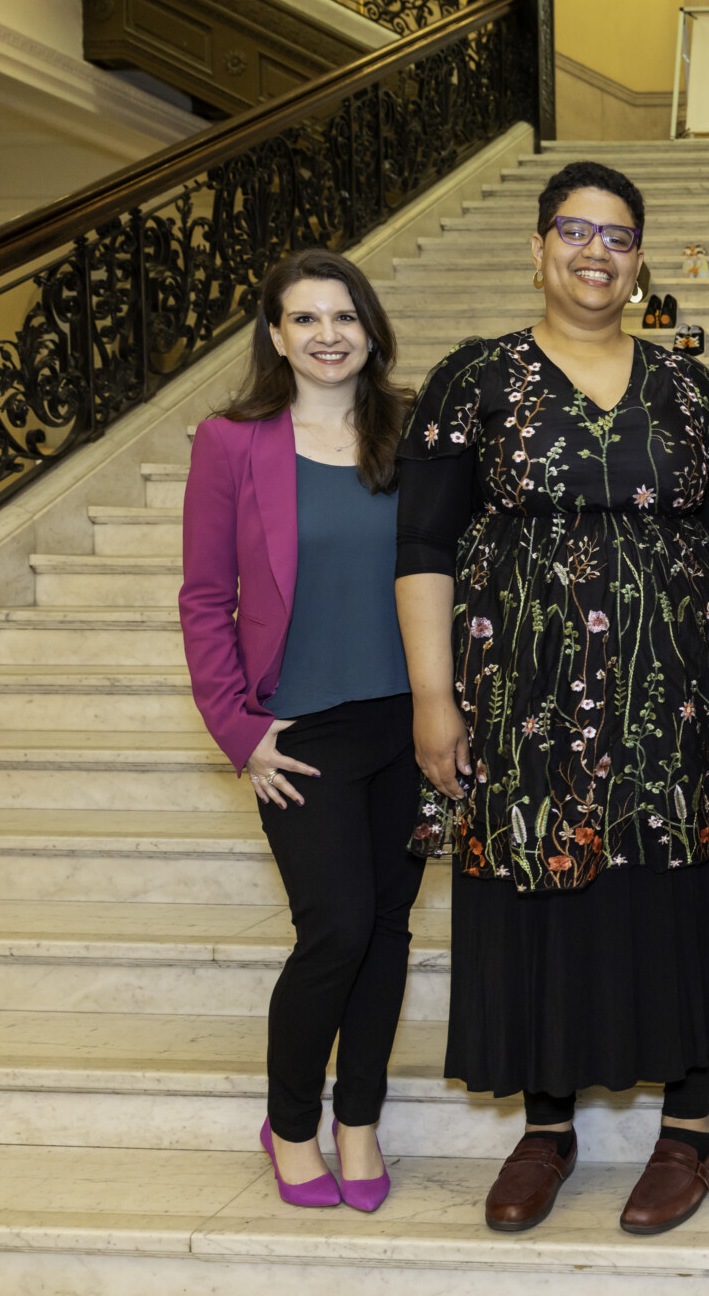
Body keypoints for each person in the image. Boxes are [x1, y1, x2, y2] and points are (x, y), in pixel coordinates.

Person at [394, 161, 709, 1237]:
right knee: (534, 889)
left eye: (619, 235)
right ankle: (546, 1124)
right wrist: (430, 695)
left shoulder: (687, 388)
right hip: (521, 694)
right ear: (538, 248)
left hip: (670, 693)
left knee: (668, 892)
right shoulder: (474, 380)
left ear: (639, 261)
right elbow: (423, 543)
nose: (597, 250)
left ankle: (688, 1125)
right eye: (576, 230)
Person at [181, 249, 423, 1213]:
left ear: (370, 328)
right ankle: (290, 1124)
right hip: (303, 733)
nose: (328, 334)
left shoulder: (409, 433)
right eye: (306, 319)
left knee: (391, 932)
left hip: (409, 723)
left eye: (344, 316)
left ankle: (357, 1122)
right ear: (276, 336)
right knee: (337, 929)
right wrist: (238, 731)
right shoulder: (232, 443)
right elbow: (205, 598)